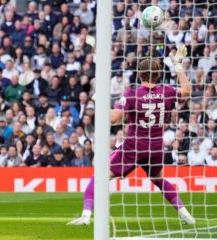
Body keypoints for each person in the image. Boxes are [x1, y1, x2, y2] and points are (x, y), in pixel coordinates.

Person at [67, 46, 195, 225]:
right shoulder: (167, 91)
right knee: (158, 180)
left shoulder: (132, 95)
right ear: (157, 75)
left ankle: (86, 216)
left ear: (139, 75)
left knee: (99, 176)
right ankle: (185, 214)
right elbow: (187, 90)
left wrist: (98, 100)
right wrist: (178, 65)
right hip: (156, 147)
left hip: (133, 147)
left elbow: (113, 119)